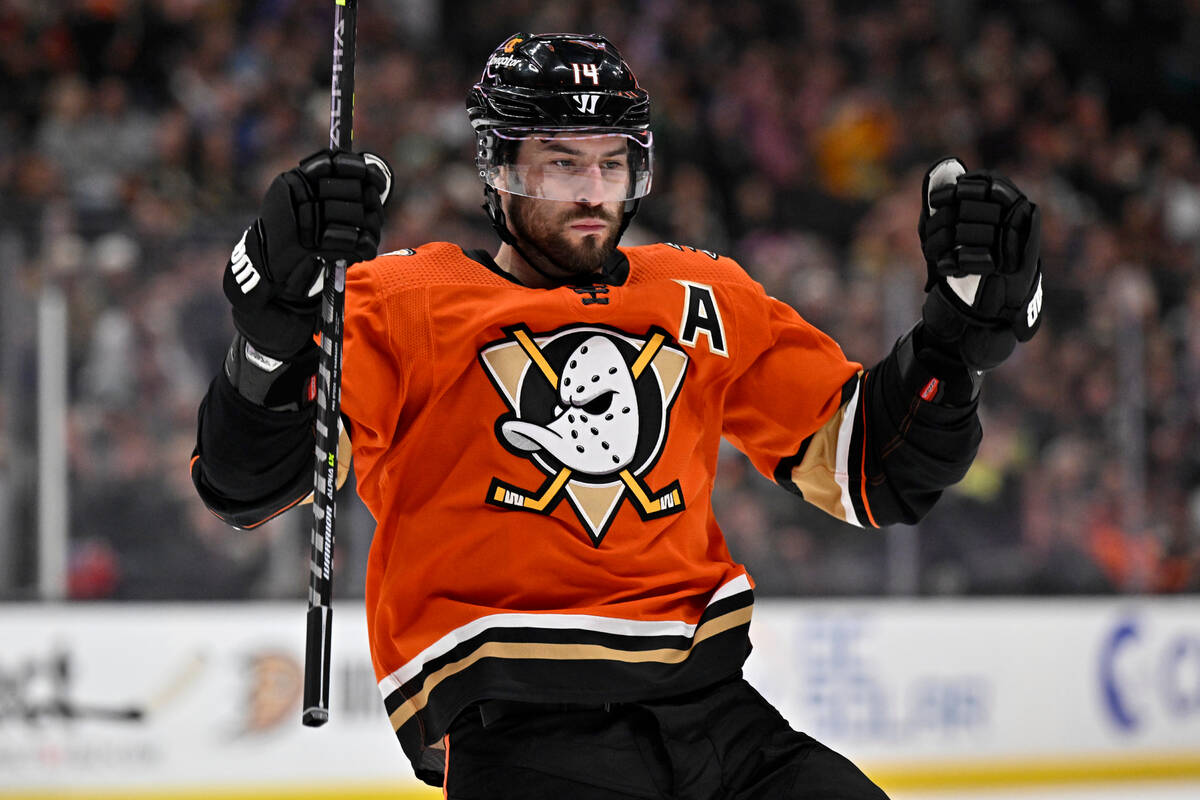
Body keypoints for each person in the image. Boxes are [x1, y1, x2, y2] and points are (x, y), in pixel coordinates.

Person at [191, 32, 1043, 799]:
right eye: (561, 163)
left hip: (720, 727)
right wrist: (271, 340)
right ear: (497, 167)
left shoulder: (700, 292)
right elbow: (243, 485)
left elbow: (872, 470)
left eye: (611, 163)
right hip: (524, 738)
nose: (592, 192)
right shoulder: (398, 305)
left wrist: (950, 350)